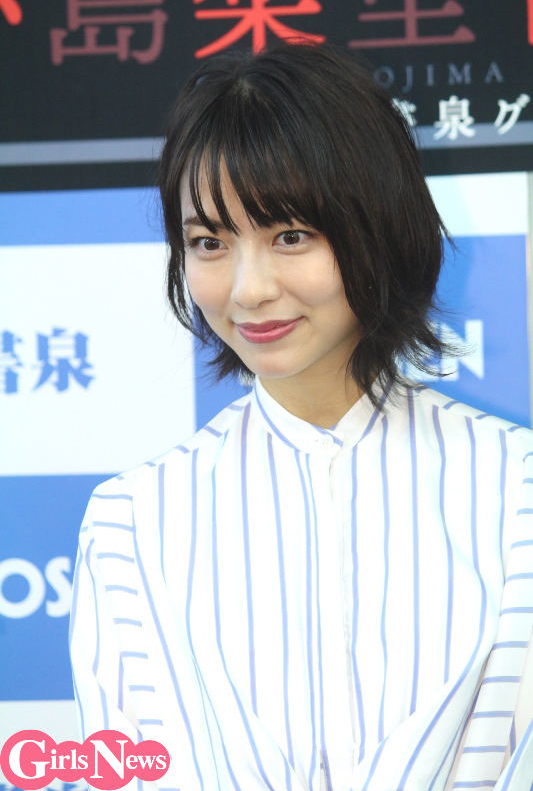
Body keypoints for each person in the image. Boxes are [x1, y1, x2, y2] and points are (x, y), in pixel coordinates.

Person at [69, 41, 533, 790]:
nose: (248, 289)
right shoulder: (133, 522)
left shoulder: (516, 490)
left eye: (290, 235)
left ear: (378, 227)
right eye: (209, 242)